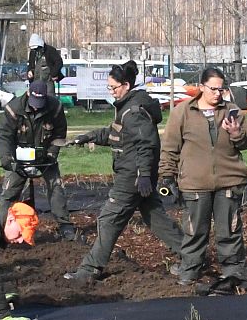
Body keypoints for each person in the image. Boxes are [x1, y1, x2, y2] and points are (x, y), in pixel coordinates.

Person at [63, 61, 184, 285]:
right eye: (109, 88)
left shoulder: (134, 111)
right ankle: (191, 256)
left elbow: (145, 144)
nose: (111, 91)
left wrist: (145, 175)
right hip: (136, 175)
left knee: (108, 219)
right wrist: (89, 137)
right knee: (155, 218)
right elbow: (117, 134)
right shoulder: (127, 107)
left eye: (113, 87)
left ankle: (89, 269)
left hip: (132, 177)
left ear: (126, 85)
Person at [159, 67, 247, 287]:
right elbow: (170, 147)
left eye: (221, 90)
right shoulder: (182, 112)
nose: (217, 94)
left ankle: (232, 270)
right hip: (195, 183)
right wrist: (166, 175)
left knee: (229, 229)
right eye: (213, 89)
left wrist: (236, 134)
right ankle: (190, 269)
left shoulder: (232, 111)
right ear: (201, 87)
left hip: (229, 180)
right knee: (194, 230)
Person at [0, 79, 70, 229]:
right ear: (28, 93)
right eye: (34, 102)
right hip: (19, 157)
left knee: (56, 188)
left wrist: (51, 153)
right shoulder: (14, 108)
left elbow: (60, 133)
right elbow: (4, 135)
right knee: (9, 192)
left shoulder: (55, 108)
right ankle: (2, 228)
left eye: (40, 102)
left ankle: (65, 226)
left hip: (45, 156)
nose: (36, 107)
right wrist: (7, 158)